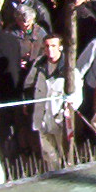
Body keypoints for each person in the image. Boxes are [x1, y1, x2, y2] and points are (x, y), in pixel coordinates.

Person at [28, 32, 78, 170]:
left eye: (54, 46)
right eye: (47, 46)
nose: (50, 50)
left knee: (65, 157)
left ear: (60, 47)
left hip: (60, 123)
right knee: (49, 156)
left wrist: (66, 114)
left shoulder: (69, 70)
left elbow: (76, 98)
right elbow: (28, 84)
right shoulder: (39, 65)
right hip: (42, 120)